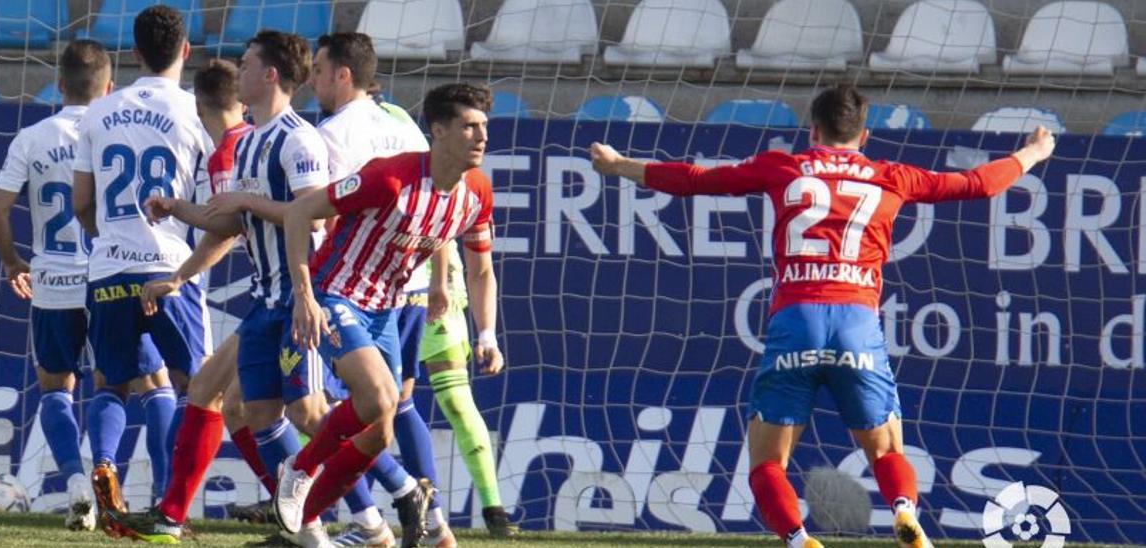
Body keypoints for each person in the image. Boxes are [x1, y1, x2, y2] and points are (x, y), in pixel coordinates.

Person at [588, 84, 1055, 548]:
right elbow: (977, 184)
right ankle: (904, 512)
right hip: (857, 322)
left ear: (812, 130)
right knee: (886, 448)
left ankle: (798, 539)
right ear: (864, 134)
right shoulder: (890, 175)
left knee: (767, 462)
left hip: (796, 320)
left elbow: (694, 179)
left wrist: (617, 166)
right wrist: (1032, 152)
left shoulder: (783, 167)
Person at [110, 30, 335, 545]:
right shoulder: (250, 142)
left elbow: (314, 218)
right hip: (265, 298)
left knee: (303, 413)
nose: (240, 72)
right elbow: (229, 223)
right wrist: (176, 213)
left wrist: (248, 209)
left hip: (299, 297)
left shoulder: (299, 140)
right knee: (247, 410)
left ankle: (386, 491)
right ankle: (308, 533)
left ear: (271, 74)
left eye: (248, 63)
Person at [275, 83, 503, 548]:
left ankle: (303, 525)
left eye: (484, 126)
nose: (481, 136)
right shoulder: (389, 177)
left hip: (389, 307)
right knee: (380, 400)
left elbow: (480, 269)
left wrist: (487, 333)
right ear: (437, 131)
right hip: (336, 293)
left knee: (378, 433)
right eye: (469, 126)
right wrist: (304, 294)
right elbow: (300, 212)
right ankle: (297, 469)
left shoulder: (477, 191)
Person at [71, 4, 212, 532]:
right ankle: (169, 500)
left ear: (133, 55)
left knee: (112, 383)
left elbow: (82, 200)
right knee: (194, 387)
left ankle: (105, 466)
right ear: (186, 51)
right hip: (171, 266)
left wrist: (108, 238)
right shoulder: (197, 111)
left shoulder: (99, 112)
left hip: (108, 268)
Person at [308, 32, 442, 548]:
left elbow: (326, 216)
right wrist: (440, 278)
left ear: (344, 74)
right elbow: (437, 193)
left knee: (332, 407)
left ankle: (374, 518)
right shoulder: (402, 120)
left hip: (356, 286)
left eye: (319, 70)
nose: (313, 81)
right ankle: (433, 527)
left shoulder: (332, 133)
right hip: (413, 277)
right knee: (400, 403)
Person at [0, 38, 115, 532]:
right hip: (107, 277)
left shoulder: (33, 137)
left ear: (60, 85)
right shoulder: (114, 130)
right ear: (108, 88)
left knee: (56, 386)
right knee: (113, 384)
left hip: (53, 282)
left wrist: (13, 261)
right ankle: (108, 478)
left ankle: (77, 486)